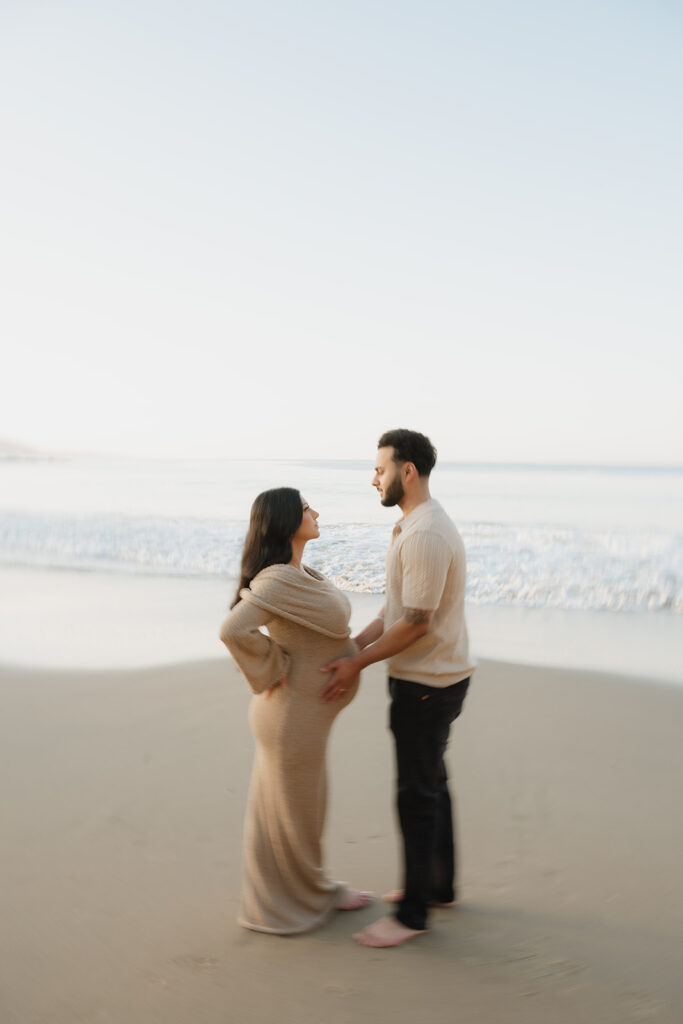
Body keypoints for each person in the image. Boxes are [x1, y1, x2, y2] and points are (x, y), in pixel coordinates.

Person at [321, 429, 475, 948]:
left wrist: (357, 664)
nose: (374, 478)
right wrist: (352, 647)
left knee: (416, 797)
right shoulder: (413, 527)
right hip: (434, 679)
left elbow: (416, 623)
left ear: (407, 471)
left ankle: (411, 916)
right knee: (433, 783)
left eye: (380, 469)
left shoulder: (426, 533)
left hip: (427, 684)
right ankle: (438, 888)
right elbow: (393, 610)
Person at [219, 487, 371, 935]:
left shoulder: (298, 573)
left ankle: (304, 891)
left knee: (296, 812)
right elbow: (232, 629)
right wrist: (272, 666)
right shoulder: (277, 580)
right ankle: (296, 903)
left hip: (300, 718)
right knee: (295, 815)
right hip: (290, 718)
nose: (317, 512)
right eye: (307, 508)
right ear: (288, 520)